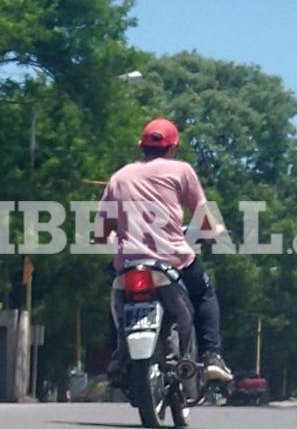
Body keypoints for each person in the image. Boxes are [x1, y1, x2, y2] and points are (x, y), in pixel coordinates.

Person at [97, 118, 232, 382]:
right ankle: (212, 356)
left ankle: (119, 354)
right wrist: (214, 233)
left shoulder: (119, 177)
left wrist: (113, 238)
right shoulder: (181, 171)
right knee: (204, 293)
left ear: (141, 147)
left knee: (116, 298)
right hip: (173, 261)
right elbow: (204, 217)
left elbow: (101, 231)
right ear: (173, 148)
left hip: (129, 264)